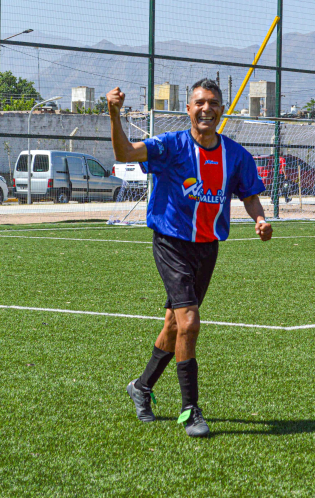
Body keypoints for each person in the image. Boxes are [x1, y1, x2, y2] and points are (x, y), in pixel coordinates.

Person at [107, 78, 273, 438]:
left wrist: (259, 218)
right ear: (188, 109)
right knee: (190, 323)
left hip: (207, 248)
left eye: (213, 103)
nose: (206, 109)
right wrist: (113, 114)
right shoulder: (171, 146)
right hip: (171, 243)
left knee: (174, 325)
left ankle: (141, 387)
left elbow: (249, 195)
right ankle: (189, 410)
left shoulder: (236, 155)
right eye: (199, 103)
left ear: (221, 110)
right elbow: (124, 154)